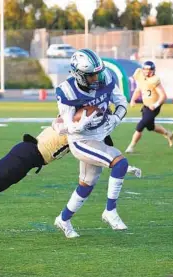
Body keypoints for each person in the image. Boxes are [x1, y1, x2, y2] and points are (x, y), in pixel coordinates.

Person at [0, 118, 142, 195]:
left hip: (31, 160)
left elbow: (107, 154)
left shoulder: (93, 133)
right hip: (27, 153)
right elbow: (62, 120)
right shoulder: (73, 120)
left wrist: (125, 167)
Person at [54, 48, 131, 238]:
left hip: (100, 136)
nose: (97, 78)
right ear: (79, 75)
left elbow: (122, 103)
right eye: (92, 75)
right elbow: (68, 126)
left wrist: (115, 119)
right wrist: (82, 122)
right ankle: (110, 211)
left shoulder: (106, 77)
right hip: (82, 140)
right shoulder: (67, 91)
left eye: (98, 73)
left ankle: (63, 219)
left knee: (86, 185)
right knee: (120, 163)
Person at [125, 61, 173, 153]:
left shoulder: (154, 80)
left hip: (154, 107)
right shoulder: (140, 76)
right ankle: (168, 134)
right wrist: (133, 100)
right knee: (150, 127)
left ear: (153, 70)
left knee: (140, 126)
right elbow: (138, 89)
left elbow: (163, 96)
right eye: (146, 69)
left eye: (150, 70)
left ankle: (131, 146)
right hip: (146, 106)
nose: (148, 72)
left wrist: (155, 105)